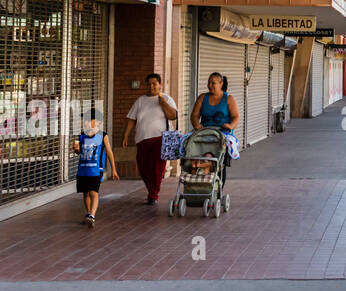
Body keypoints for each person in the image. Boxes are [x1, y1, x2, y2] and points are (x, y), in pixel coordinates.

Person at [122, 72, 178, 205]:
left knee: (157, 168)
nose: (152, 86)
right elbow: (131, 119)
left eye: (154, 84)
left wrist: (163, 103)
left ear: (160, 85)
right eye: (149, 84)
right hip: (142, 139)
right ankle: (151, 189)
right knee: (143, 168)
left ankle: (153, 194)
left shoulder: (167, 99)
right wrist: (126, 136)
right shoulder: (140, 100)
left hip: (160, 139)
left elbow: (173, 116)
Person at [190, 72, 240, 186]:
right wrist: (196, 124)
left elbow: (236, 117)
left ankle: (219, 189)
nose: (210, 85)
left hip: (222, 134)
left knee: (220, 162)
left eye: (213, 83)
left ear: (221, 83)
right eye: (209, 82)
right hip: (204, 132)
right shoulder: (202, 97)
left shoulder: (229, 98)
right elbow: (194, 115)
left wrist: (231, 126)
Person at [72, 112, 117, 227]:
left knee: (93, 192)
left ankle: (92, 214)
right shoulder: (81, 135)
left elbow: (109, 152)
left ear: (97, 122)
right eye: (85, 121)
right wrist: (76, 150)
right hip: (82, 170)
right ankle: (88, 214)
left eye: (88, 120)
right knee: (85, 193)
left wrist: (114, 169)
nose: (86, 123)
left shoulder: (102, 136)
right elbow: (79, 152)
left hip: (96, 170)